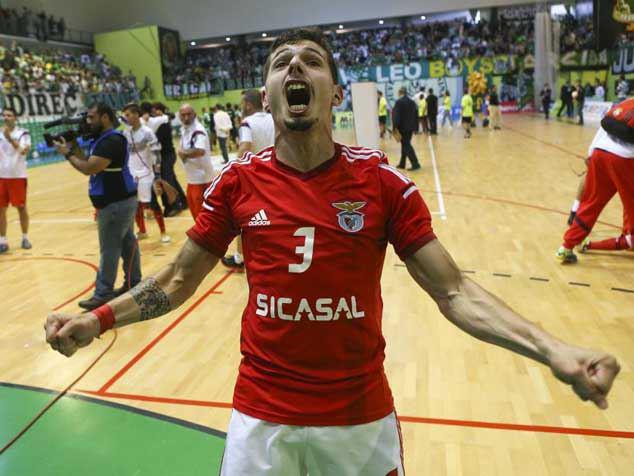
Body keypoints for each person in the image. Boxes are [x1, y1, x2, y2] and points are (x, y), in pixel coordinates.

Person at [45, 29, 620, 476]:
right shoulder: (237, 184)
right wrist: (97, 319)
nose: (295, 67)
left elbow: (455, 291)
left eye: (311, 61)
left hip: (358, 418)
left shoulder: (383, 185)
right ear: (267, 98)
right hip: (261, 418)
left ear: (336, 94)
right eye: (281, 63)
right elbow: (175, 279)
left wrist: (553, 350)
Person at [53, 103, 141, 309]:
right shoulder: (103, 139)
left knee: (110, 249)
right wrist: (73, 146)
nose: (88, 121)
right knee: (128, 243)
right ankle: (134, 283)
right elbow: (87, 159)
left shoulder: (110, 141)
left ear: (105, 118)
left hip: (115, 203)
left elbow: (89, 167)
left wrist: (67, 153)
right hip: (121, 200)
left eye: (92, 117)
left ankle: (103, 293)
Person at [557, 99, 634, 263]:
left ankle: (566, 247)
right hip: (623, 158)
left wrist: (591, 154)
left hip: (600, 151)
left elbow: (603, 127)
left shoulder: (627, 102)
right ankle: (599, 243)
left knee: (592, 202)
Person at [221, 89, 275, 271]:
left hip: (256, 177)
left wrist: (232, 169)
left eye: (242, 103)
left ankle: (240, 257)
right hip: (277, 174)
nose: (241, 106)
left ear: (249, 105)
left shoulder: (247, 123)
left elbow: (245, 146)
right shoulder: (273, 118)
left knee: (243, 216)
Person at [122, 103, 170, 243]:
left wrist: (157, 176)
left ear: (136, 114)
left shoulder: (147, 132)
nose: (126, 118)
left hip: (146, 173)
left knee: (153, 204)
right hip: (132, 173)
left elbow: (157, 154)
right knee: (135, 204)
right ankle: (142, 231)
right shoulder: (126, 133)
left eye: (128, 115)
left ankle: (163, 232)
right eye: (125, 115)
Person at [0, 107, 31, 253]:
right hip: (1, 177)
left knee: (21, 208)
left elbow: (24, 151)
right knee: (1, 209)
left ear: (15, 118)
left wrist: (9, 139)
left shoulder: (23, 133)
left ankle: (25, 238)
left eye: (9, 115)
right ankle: (3, 241)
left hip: (18, 176)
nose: (6, 117)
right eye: (4, 115)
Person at [178, 103, 214, 220]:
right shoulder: (184, 129)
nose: (186, 117)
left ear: (195, 114)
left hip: (202, 180)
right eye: (183, 115)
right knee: (197, 217)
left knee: (203, 218)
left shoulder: (198, 130)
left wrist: (183, 153)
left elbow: (200, 151)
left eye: (188, 114)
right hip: (192, 179)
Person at [152, 102, 187, 216]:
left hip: (167, 155)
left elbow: (156, 140)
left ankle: (175, 206)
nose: (154, 113)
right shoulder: (160, 122)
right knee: (172, 179)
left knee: (167, 180)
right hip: (166, 155)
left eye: (155, 110)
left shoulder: (163, 123)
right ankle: (184, 201)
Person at [392, 86, 421, 170]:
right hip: (410, 128)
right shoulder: (412, 102)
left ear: (400, 92)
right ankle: (402, 163)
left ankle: (415, 163)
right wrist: (416, 128)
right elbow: (416, 115)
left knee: (406, 145)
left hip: (402, 128)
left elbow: (396, 116)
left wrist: (394, 127)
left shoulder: (398, 102)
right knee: (404, 144)